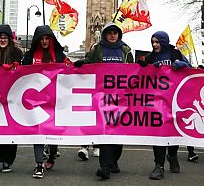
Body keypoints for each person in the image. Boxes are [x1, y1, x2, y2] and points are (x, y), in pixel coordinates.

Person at [74, 22, 134, 180]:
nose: (113, 35)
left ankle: (113, 161)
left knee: (118, 134)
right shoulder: (98, 49)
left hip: (121, 98)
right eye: (110, 33)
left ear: (118, 35)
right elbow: (90, 64)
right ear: (105, 34)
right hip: (102, 97)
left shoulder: (126, 50)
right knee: (105, 132)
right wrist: (82, 64)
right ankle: (105, 167)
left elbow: (133, 71)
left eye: (115, 33)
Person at [137, 31, 190, 180]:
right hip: (157, 102)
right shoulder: (151, 56)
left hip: (174, 101)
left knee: (173, 133)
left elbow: (190, 69)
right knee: (159, 134)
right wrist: (146, 66)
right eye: (153, 42)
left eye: (157, 42)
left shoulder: (175, 53)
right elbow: (140, 71)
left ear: (164, 42)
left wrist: (183, 65)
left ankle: (172, 156)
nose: (154, 45)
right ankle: (158, 165)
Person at [22, 25, 69, 179]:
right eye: (41, 39)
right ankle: (38, 164)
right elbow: (22, 72)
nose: (44, 41)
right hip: (36, 101)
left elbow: (69, 72)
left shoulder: (59, 54)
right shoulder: (30, 56)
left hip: (55, 100)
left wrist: (72, 66)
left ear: (51, 39)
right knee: (38, 132)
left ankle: (52, 155)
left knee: (53, 132)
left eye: (46, 38)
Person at [0, 24, 23, 173]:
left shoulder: (16, 52)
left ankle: (8, 159)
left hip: (12, 95)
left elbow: (22, 71)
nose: (2, 40)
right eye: (0, 37)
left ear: (9, 39)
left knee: (10, 128)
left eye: (5, 37)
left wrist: (15, 68)